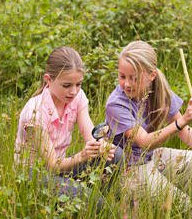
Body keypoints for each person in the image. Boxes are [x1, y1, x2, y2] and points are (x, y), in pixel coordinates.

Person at [105, 40, 192, 204]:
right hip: (126, 169)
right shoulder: (115, 104)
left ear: (151, 76)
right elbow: (144, 142)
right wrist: (181, 122)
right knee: (182, 203)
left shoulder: (158, 91)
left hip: (150, 158)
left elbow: (184, 129)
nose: (127, 84)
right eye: (122, 76)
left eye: (134, 78)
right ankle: (180, 206)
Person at [14, 46, 116, 195]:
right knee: (87, 196)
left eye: (78, 84)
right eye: (67, 85)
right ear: (48, 80)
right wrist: (82, 156)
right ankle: (90, 200)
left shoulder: (77, 96)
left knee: (116, 156)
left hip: (62, 168)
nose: (74, 91)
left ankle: (96, 197)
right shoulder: (35, 112)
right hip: (33, 175)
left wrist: (101, 146)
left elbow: (90, 135)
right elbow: (53, 166)